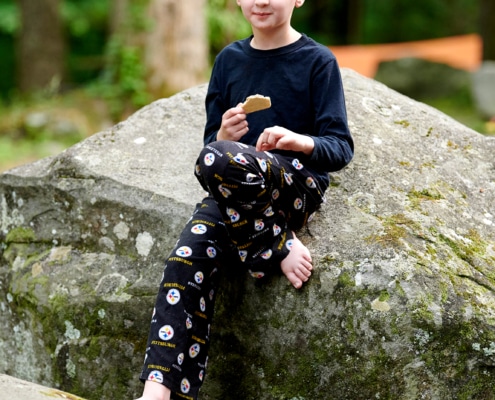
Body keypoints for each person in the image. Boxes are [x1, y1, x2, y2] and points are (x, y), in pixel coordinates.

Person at [137, 0, 353, 399]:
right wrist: (223, 136)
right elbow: (211, 151)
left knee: (215, 160)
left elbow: (340, 148)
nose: (262, 1)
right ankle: (158, 391)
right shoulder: (229, 60)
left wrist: (299, 142)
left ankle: (272, 239)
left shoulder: (318, 61)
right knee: (186, 259)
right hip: (236, 191)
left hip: (292, 182)